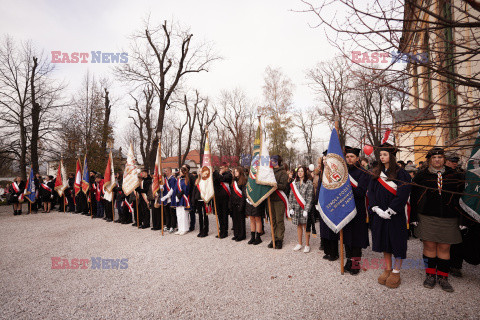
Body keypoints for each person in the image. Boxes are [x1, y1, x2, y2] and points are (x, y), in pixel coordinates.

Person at [411, 147, 464, 292]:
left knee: (445, 248)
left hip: (449, 218)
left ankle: (443, 277)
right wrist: (413, 217)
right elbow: (414, 198)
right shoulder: (421, 176)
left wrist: (462, 219)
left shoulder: (455, 175)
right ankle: (430, 276)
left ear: (444, 159)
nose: (437, 160)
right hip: (427, 217)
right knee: (429, 247)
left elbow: (462, 198)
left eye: (440, 157)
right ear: (430, 160)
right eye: (434, 158)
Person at [367, 143, 411, 289]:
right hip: (380, 214)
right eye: (380, 155)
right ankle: (388, 268)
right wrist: (376, 208)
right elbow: (371, 192)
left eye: (385, 154)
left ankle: (396, 272)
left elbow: (403, 194)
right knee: (384, 242)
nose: (382, 157)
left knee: (397, 243)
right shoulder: (376, 172)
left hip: (395, 215)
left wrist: (391, 210)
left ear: (391, 156)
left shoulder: (401, 173)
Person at [343, 146, 370, 275]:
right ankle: (348, 260)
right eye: (347, 157)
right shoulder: (343, 172)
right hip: (345, 209)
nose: (349, 159)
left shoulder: (363, 173)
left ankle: (355, 263)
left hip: (358, 209)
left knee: (356, 237)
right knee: (347, 236)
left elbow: (360, 192)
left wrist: (345, 189)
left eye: (352, 156)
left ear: (357, 158)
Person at [288, 166, 314, 253]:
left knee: (306, 226)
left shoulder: (309, 183)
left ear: (305, 173)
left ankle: (307, 245)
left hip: (304, 208)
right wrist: (290, 207)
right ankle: (299, 243)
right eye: (299, 171)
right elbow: (291, 196)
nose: (300, 173)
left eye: (302, 171)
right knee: (298, 225)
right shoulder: (294, 183)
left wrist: (307, 209)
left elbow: (310, 198)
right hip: (296, 208)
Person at [268, 155, 289, 249]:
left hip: (279, 199)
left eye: (273, 160)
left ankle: (280, 239)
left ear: (278, 161)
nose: (271, 161)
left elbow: (283, 186)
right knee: (272, 220)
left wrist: (274, 184)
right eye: (271, 160)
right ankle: (274, 237)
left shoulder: (283, 172)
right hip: (270, 199)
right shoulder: (269, 172)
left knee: (279, 220)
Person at [213, 162, 232, 238]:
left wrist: (217, 173)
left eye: (222, 168)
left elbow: (222, 179)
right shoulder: (217, 175)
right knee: (219, 215)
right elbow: (215, 181)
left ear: (226, 168)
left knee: (224, 215)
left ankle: (225, 232)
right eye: (220, 168)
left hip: (225, 198)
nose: (220, 169)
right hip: (218, 198)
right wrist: (216, 174)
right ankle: (221, 230)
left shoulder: (229, 174)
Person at [230, 166, 247, 242]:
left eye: (236, 171)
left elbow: (243, 195)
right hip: (234, 203)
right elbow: (232, 193)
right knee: (235, 220)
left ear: (240, 172)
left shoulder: (243, 181)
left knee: (241, 220)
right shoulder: (234, 181)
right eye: (234, 172)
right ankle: (236, 234)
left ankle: (242, 235)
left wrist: (242, 204)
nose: (235, 173)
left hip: (240, 203)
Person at [192, 169, 209, 237]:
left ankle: (205, 231)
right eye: (199, 172)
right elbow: (194, 191)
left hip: (204, 200)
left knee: (205, 216)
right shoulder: (197, 181)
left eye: (201, 172)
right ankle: (201, 230)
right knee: (200, 216)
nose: (199, 173)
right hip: (198, 200)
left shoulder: (206, 181)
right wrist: (193, 200)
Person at [174, 167, 190, 235]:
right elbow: (176, 189)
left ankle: (185, 229)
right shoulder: (179, 180)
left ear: (184, 172)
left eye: (180, 171)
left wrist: (179, 195)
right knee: (179, 214)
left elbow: (186, 190)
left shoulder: (186, 180)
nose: (179, 172)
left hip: (184, 198)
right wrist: (176, 196)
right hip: (178, 198)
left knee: (184, 215)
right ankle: (180, 228)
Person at [160, 168, 177, 233]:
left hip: (171, 198)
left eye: (166, 171)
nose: (165, 172)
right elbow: (164, 189)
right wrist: (161, 188)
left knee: (172, 213)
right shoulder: (164, 180)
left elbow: (172, 189)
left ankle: (173, 226)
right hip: (166, 199)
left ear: (170, 171)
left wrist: (166, 196)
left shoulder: (173, 179)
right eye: (164, 171)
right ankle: (168, 225)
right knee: (166, 213)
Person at [181, 164, 197, 232]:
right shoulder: (182, 176)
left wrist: (193, 197)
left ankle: (192, 226)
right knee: (185, 212)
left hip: (190, 196)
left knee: (192, 212)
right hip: (185, 196)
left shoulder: (191, 176)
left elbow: (194, 187)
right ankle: (186, 225)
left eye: (184, 168)